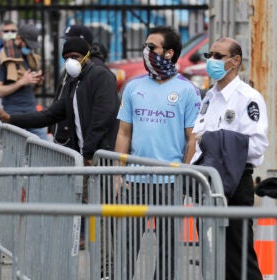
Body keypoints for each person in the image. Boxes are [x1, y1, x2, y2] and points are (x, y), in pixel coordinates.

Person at [115, 25, 201, 279]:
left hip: (169, 182)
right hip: (134, 181)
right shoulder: (132, 87)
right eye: (145, 46)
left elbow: (192, 138)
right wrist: (118, 174)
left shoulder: (187, 90)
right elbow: (123, 133)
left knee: (166, 248)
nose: (146, 51)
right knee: (127, 245)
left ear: (169, 53)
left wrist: (183, 174)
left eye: (152, 47)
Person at [190, 37, 268, 280]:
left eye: (217, 56)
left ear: (235, 61)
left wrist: (212, 140)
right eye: (209, 55)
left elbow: (256, 145)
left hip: (234, 182)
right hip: (207, 183)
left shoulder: (248, 98)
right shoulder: (209, 97)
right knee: (211, 256)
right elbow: (196, 139)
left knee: (238, 258)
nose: (211, 61)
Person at [0, 36, 119, 163]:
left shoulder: (101, 76)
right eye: (66, 58)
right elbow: (49, 115)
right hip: (84, 157)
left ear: (87, 57)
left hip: (101, 157)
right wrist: (9, 118)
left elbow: (102, 118)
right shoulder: (72, 83)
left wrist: (89, 153)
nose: (70, 62)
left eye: (74, 57)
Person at [52, 24, 111, 146]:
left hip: (78, 140)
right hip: (65, 135)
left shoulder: (96, 71)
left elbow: (100, 116)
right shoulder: (73, 68)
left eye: (70, 41)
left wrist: (89, 150)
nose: (67, 45)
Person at [0, 23, 49, 140]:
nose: (30, 48)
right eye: (28, 44)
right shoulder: (1, 61)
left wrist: (37, 82)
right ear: (18, 39)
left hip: (32, 113)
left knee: (46, 148)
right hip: (12, 115)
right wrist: (21, 82)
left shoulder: (30, 59)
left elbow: (32, 91)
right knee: (15, 155)